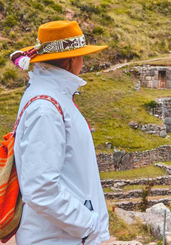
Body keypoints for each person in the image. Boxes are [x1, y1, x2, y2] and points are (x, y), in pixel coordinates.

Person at [10, 21, 110, 244]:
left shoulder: (50, 97)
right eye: (81, 55)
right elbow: (40, 189)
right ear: (71, 60)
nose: (83, 61)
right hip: (56, 238)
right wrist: (88, 224)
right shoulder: (46, 108)